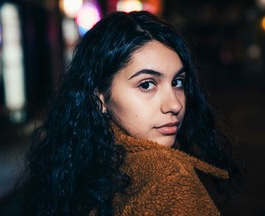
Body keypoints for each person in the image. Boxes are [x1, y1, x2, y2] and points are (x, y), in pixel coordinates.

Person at [21, 10, 243, 215]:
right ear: (99, 98)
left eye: (177, 82)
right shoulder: (171, 180)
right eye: (147, 84)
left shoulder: (81, 163)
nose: (174, 104)